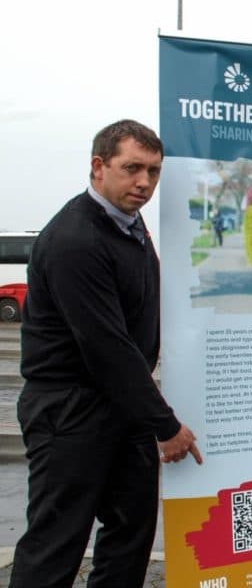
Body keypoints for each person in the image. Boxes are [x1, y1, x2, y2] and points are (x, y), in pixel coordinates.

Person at [12, 119, 202, 588]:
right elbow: (106, 347)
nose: (144, 183)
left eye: (154, 171)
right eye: (132, 168)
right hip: (69, 411)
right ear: (99, 167)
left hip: (122, 407)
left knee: (130, 534)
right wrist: (164, 424)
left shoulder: (131, 226)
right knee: (57, 542)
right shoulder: (76, 238)